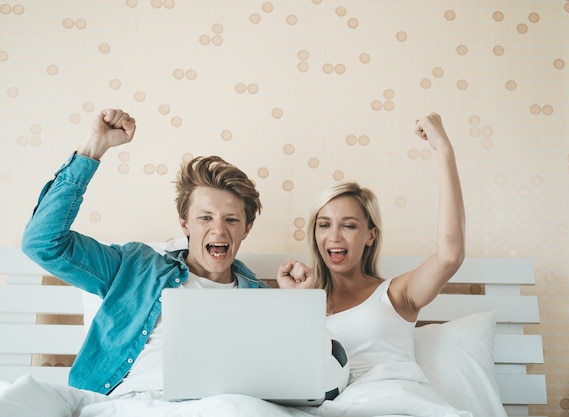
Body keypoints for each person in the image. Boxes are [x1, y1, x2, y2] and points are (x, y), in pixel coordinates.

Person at [21, 108, 268, 398]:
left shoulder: (262, 300)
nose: (218, 230)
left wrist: (301, 299)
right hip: (129, 404)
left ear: (247, 228)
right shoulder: (135, 267)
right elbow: (42, 243)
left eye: (231, 219)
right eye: (205, 218)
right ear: (184, 223)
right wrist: (92, 148)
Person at [277, 113, 468, 414]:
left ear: (370, 236)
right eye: (324, 225)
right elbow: (283, 377)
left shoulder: (396, 294)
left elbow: (450, 255)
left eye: (349, 226)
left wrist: (444, 150)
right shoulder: (305, 302)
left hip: (401, 404)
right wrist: (298, 304)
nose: (334, 237)